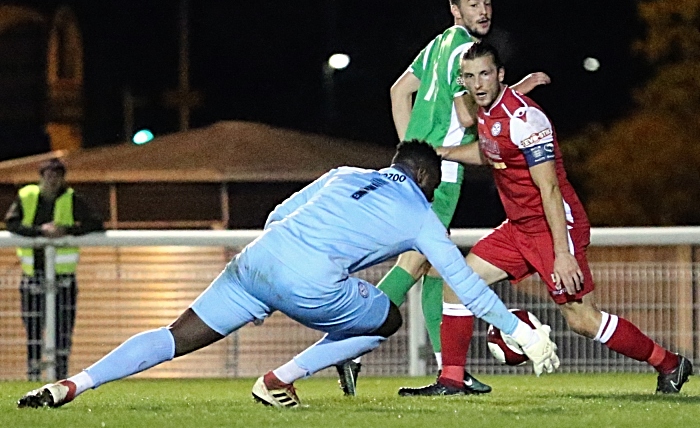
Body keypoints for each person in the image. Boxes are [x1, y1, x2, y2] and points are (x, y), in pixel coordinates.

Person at [18, 141, 560, 410]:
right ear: (424, 176)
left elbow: (280, 213)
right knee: (386, 319)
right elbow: (462, 283)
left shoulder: (345, 173)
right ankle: (279, 379)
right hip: (310, 285)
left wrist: (269, 281)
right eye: (434, 182)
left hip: (257, 259)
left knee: (173, 337)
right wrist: (518, 331)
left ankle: (72, 384)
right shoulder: (419, 210)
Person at [421, 41, 691, 395]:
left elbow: (549, 190)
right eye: (469, 77)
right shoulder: (486, 111)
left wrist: (562, 253)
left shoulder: (526, 119)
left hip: (553, 228)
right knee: (458, 284)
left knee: (583, 321)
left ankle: (670, 363)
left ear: (500, 75)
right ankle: (452, 380)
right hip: (519, 228)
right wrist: (442, 153)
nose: (477, 84)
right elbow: (490, 152)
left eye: (484, 74)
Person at [340, 0, 550, 397]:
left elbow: (399, 91)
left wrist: (408, 153)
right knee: (416, 265)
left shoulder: (438, 44)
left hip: (418, 171)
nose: (484, 10)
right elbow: (466, 112)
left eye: (487, 2)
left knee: (435, 270)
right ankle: (349, 346)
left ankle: (449, 372)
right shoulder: (467, 53)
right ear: (456, 9)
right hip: (442, 176)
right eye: (474, 4)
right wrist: (521, 89)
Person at [4, 158, 104, 381]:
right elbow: (11, 223)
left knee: (63, 331)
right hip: (32, 276)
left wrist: (65, 231)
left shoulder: (72, 198)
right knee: (33, 329)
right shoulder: (26, 196)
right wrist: (41, 232)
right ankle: (33, 374)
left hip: (64, 278)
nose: (52, 180)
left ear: (62, 178)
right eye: (48, 175)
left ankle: (60, 376)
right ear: (41, 177)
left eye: (56, 175)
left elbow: (96, 223)